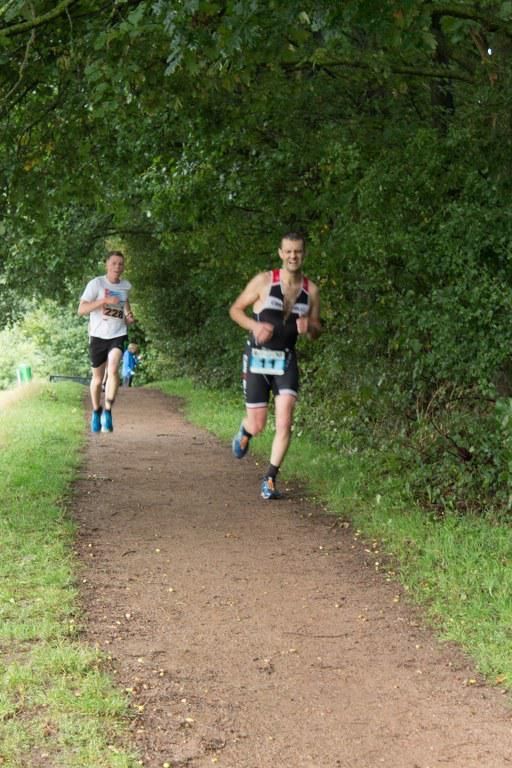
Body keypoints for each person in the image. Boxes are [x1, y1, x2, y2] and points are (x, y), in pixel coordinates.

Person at [229, 232, 321, 499]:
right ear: (281, 253)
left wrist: (310, 327)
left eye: (298, 252)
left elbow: (317, 330)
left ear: (304, 254)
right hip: (258, 357)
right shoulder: (263, 281)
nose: (293, 256)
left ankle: (269, 477)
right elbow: (235, 310)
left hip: (286, 360)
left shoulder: (311, 291)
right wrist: (255, 325)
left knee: (285, 421)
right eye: (288, 251)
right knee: (258, 424)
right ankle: (246, 431)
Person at [78, 250, 135, 433]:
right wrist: (104, 301)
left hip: (118, 333)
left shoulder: (126, 286)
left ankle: (108, 411)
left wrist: (128, 315)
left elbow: (124, 302)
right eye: (114, 263)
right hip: (98, 336)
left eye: (120, 264)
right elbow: (82, 309)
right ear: (107, 265)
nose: (117, 267)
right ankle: (96, 411)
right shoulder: (96, 284)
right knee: (97, 378)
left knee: (113, 369)